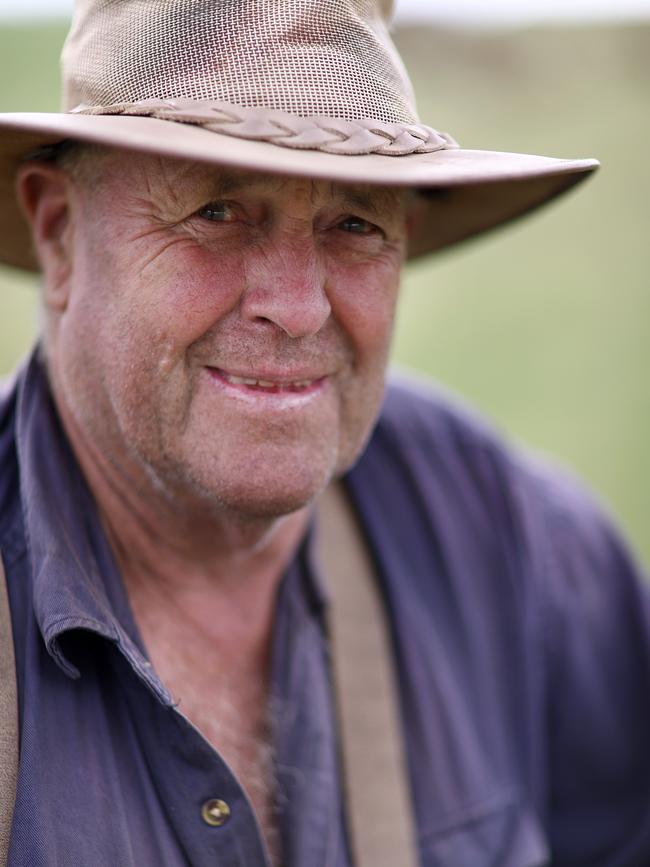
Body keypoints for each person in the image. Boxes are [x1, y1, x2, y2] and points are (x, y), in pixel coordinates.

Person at [1, 1, 649, 865]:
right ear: (59, 235)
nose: (300, 307)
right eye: (218, 212)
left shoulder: (517, 543)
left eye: (355, 224)